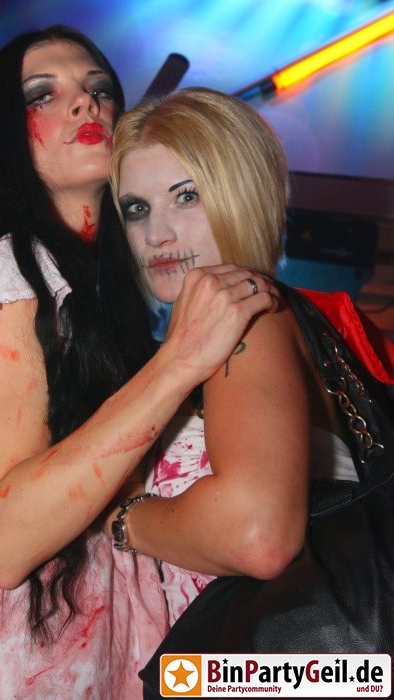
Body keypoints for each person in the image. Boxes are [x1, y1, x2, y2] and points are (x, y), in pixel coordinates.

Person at [0, 28, 278, 699]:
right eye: (43, 94)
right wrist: (177, 364)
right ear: (4, 134)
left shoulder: (90, 288)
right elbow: (2, 543)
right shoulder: (9, 270)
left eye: (99, 90)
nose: (85, 104)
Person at [106, 86, 392, 628]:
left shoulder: (249, 320)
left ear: (242, 196)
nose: (156, 234)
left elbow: (256, 536)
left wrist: (123, 518)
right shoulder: (244, 326)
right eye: (137, 209)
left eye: (186, 196)